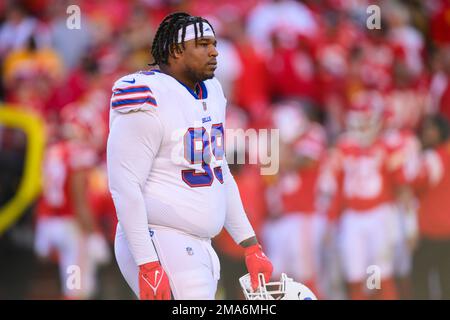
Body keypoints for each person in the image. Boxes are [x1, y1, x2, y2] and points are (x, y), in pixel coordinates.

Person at [107, 12, 273, 300]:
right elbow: (124, 186)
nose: (214, 51)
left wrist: (250, 244)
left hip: (200, 245)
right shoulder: (145, 94)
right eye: (202, 43)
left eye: (214, 43)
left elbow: (219, 171)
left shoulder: (212, 90)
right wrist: (147, 263)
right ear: (176, 51)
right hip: (160, 237)